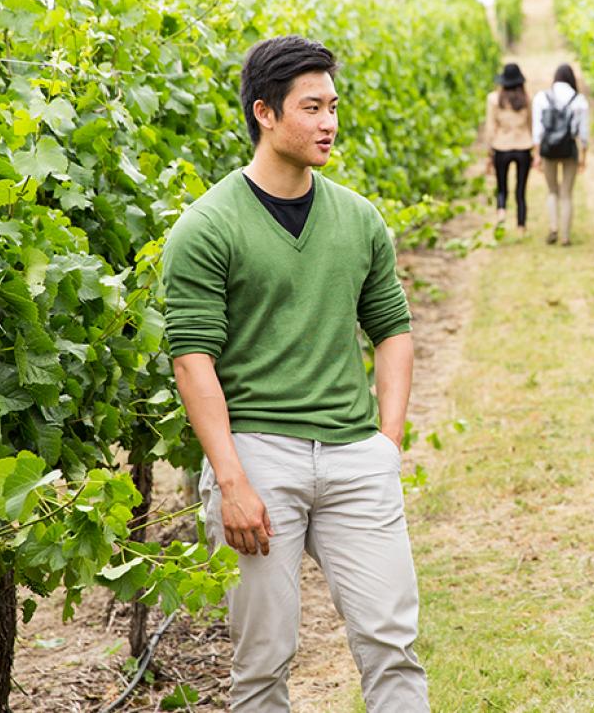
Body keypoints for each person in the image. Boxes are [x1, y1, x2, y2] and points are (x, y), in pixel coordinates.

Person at [161, 35, 428, 712]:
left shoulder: (359, 218)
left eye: (333, 106)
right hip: (257, 458)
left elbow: (393, 330)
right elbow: (193, 359)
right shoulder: (207, 226)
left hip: (354, 455)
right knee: (262, 665)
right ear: (265, 113)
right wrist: (231, 479)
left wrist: (386, 440)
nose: (329, 122)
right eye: (312, 107)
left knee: (392, 647)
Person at [532, 63, 589, 245]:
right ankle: (565, 235)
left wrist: (537, 154)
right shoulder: (579, 100)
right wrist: (583, 157)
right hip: (569, 148)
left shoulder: (542, 97)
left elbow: (537, 129)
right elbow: (584, 134)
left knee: (552, 191)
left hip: (549, 148)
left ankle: (553, 227)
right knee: (567, 193)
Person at [484, 62, 536, 235]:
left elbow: (490, 128)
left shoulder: (494, 99)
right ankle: (521, 227)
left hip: (501, 145)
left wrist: (489, 153)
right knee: (521, 190)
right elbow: (531, 125)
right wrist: (534, 149)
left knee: (502, 187)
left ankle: (501, 214)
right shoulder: (526, 99)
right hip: (523, 146)